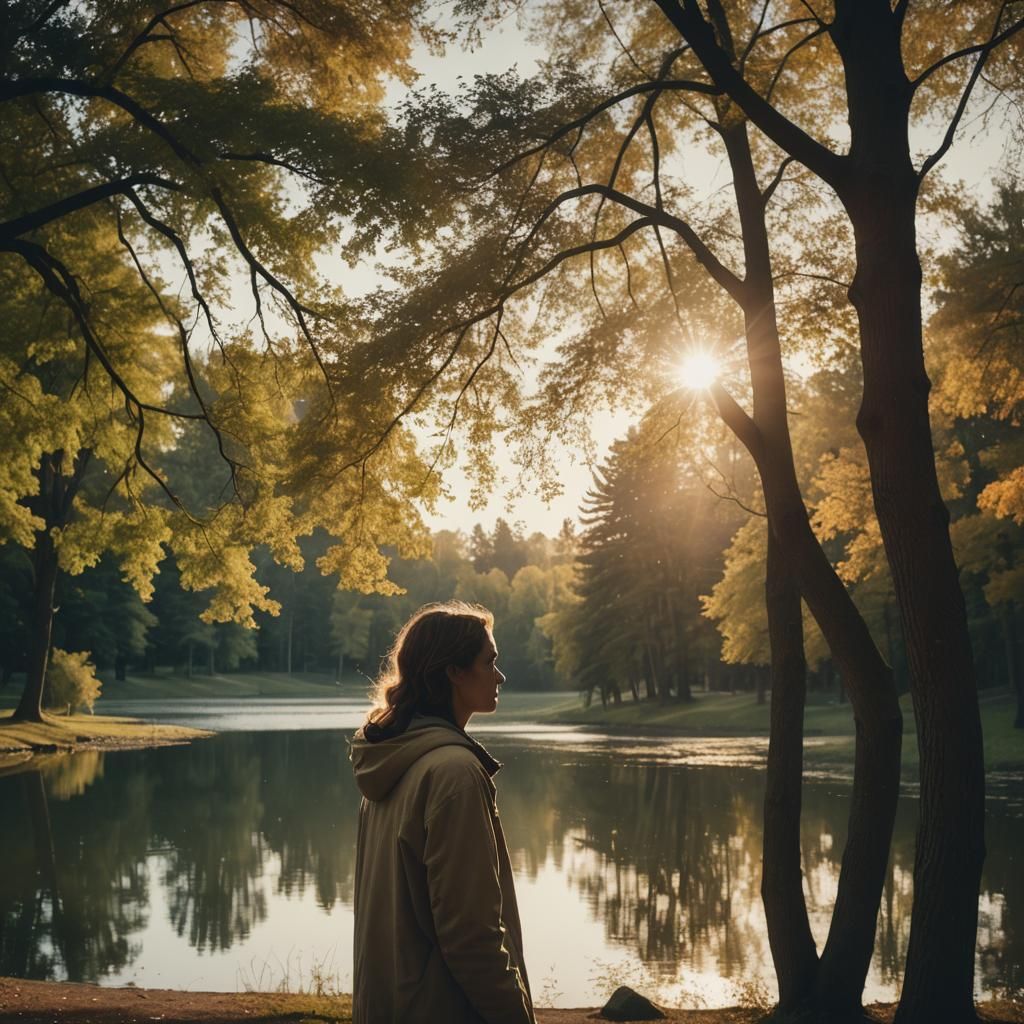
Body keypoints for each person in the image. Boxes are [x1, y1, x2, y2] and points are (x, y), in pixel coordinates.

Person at [349, 601, 535, 1024]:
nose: (500, 675)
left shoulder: (391, 763)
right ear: (454, 671)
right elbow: (471, 938)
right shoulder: (453, 774)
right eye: (490, 662)